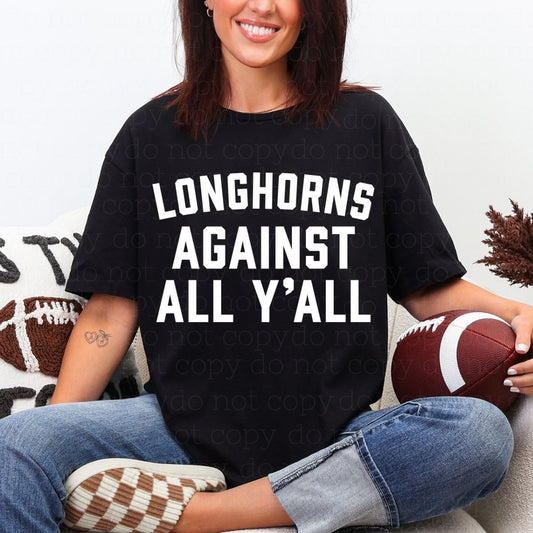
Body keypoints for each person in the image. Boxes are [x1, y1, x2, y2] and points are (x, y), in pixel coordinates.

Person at [1, 0, 532, 532]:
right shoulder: (149, 135)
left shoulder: (367, 125)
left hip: (334, 438)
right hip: (175, 432)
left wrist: (516, 313)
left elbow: (427, 286)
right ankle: (301, 501)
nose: (261, 5)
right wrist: (56, 440)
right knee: (17, 443)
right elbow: (109, 312)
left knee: (479, 434)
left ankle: (198, 516)